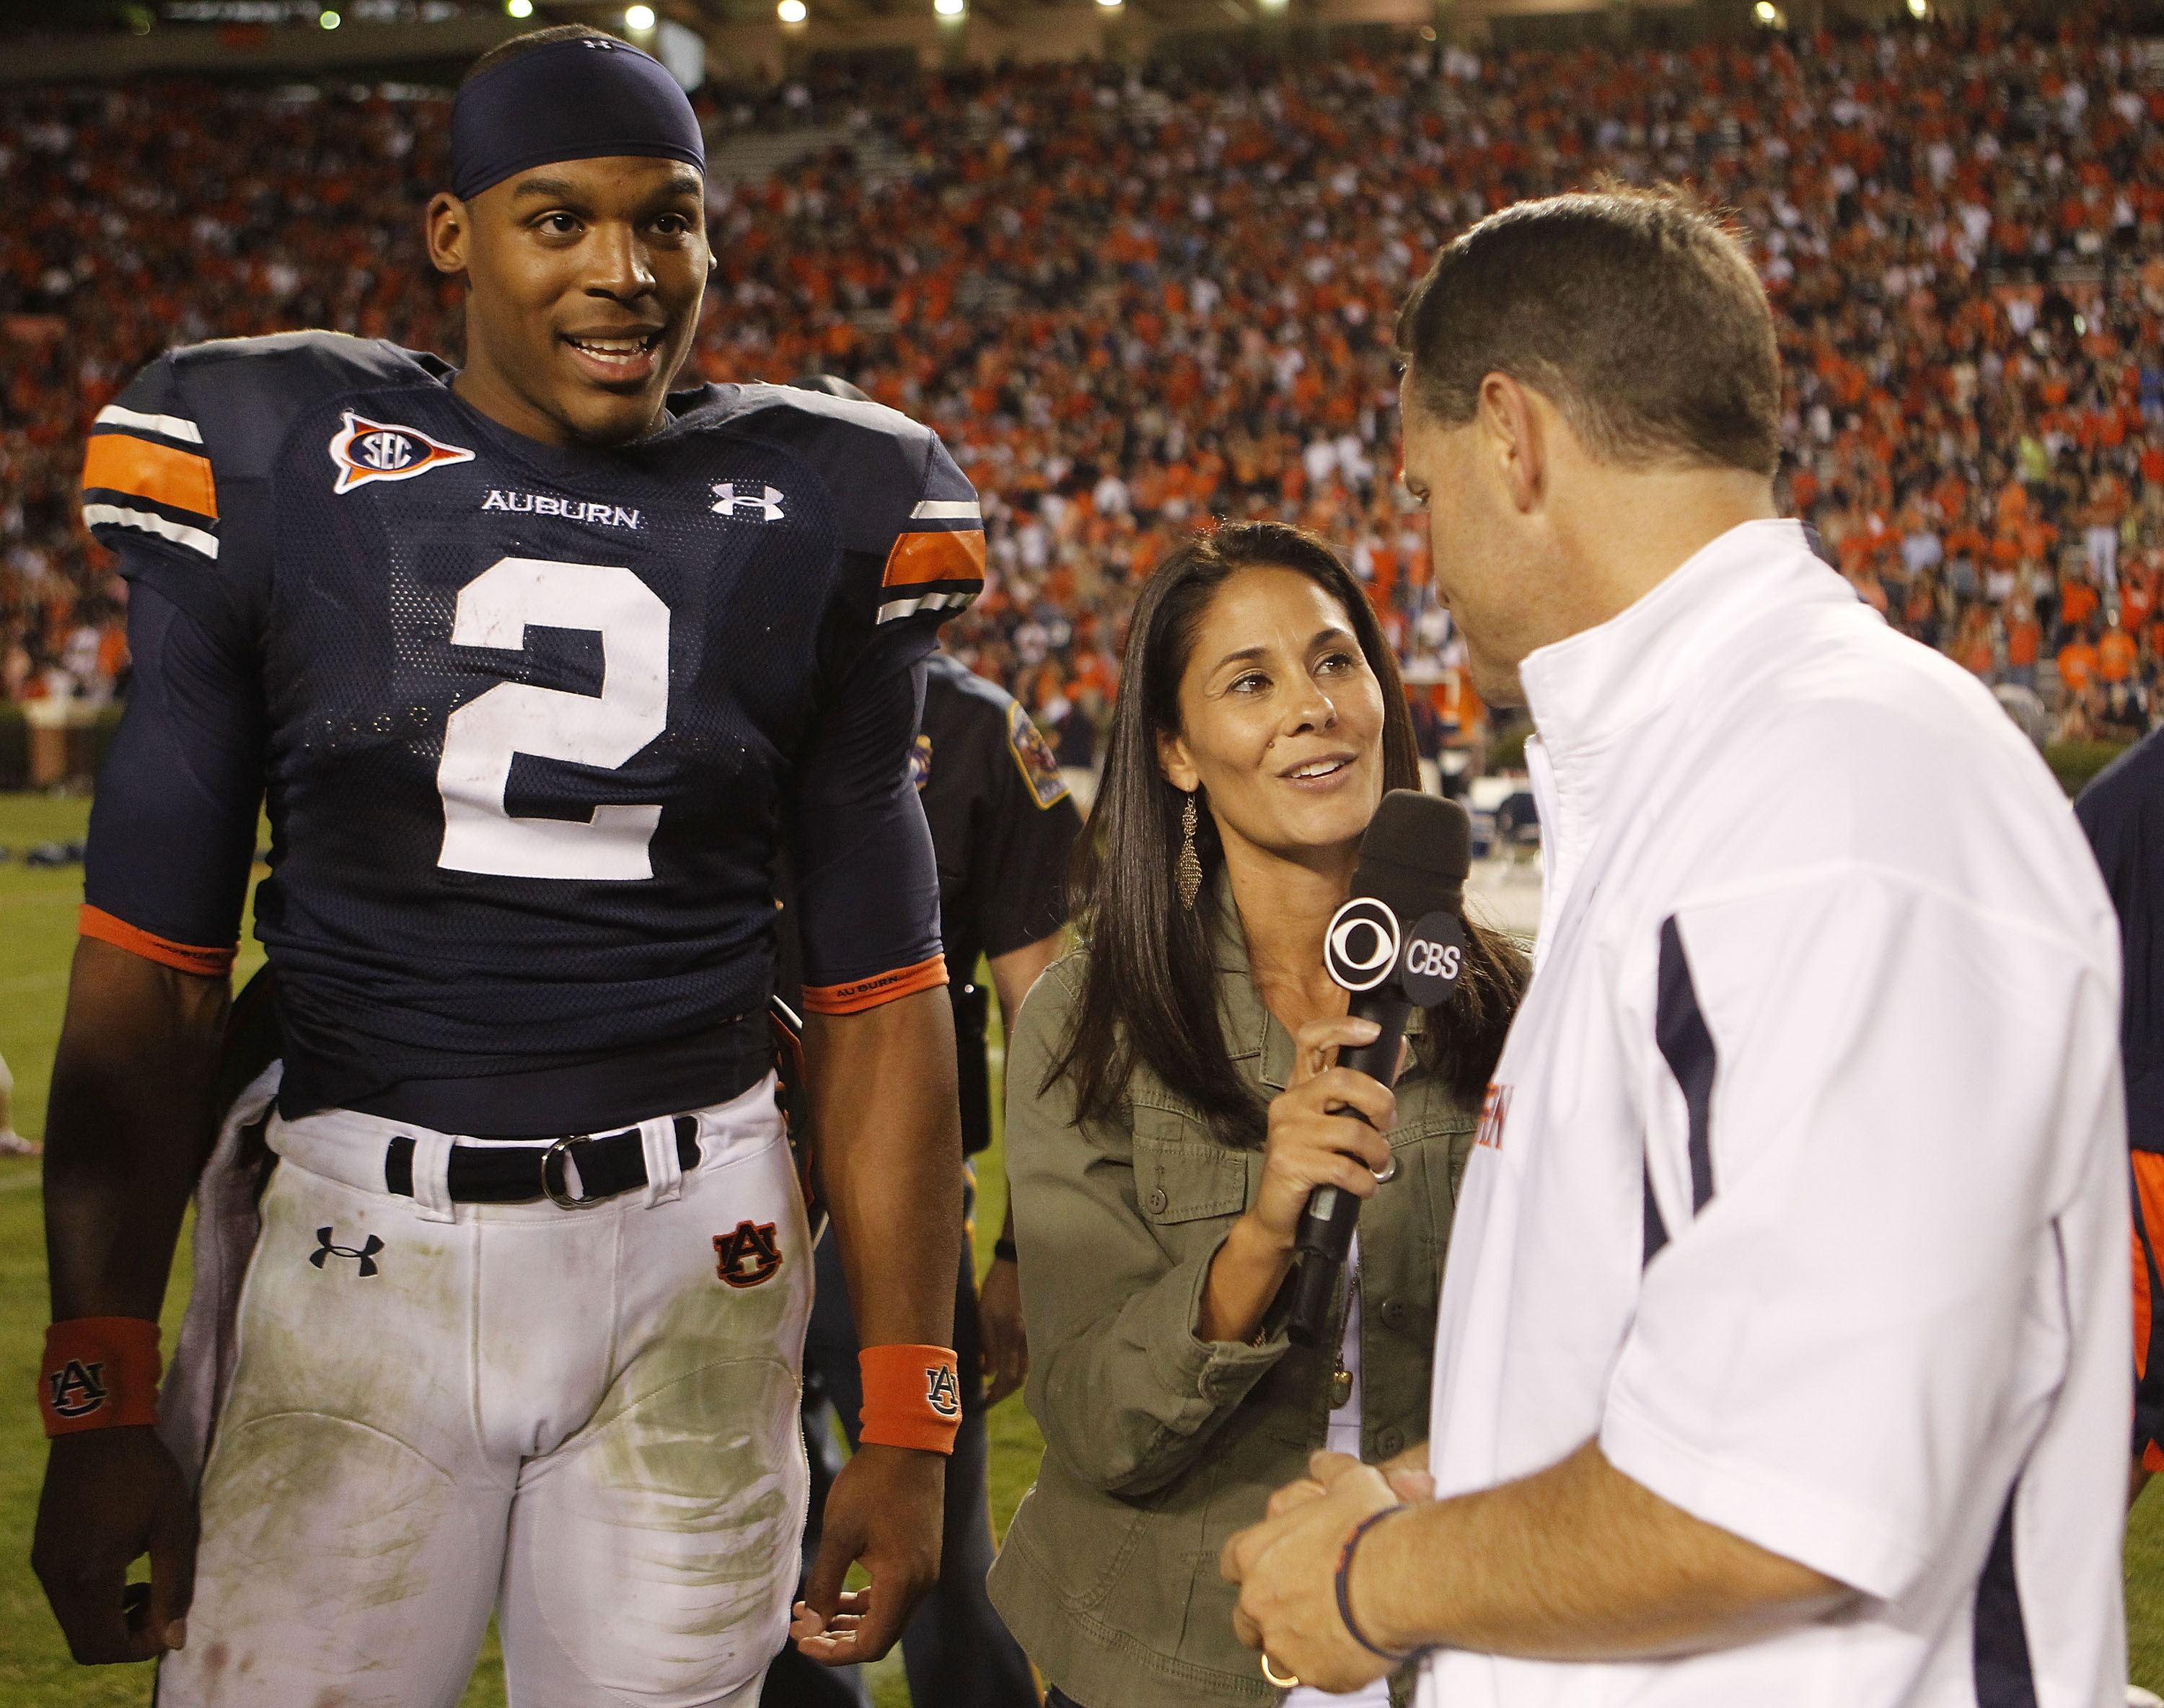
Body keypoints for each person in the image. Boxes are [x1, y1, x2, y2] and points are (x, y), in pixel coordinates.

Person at [35, 26, 981, 1706]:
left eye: (669, 221)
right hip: (355, 1250)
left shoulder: (826, 503)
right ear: (452, 235)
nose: (627, 273)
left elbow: (884, 995)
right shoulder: (280, 460)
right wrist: (101, 1384)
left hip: (699, 1247)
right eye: (560, 221)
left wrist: (907, 1415)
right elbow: (151, 968)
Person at [1222, 188, 2129, 1707]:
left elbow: (1796, 1481)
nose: (1421, 539)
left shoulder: (1834, 789)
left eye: (1424, 481)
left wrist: (1375, 1580)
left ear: (1511, 440)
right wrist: (1427, 1488)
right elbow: (1678, 1327)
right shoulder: (1716, 772)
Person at [988, 522, 1524, 1708]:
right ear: (1178, 752)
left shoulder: (1509, 1004)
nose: (1311, 707)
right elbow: (1089, 1423)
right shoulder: (1090, 1021)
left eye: (1337, 663)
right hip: (1168, 1655)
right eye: (1251, 682)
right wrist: (1263, 1231)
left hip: (1437, 1637)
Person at [778, 646, 1080, 1707]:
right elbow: (1045, 1021)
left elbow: (1046, 1022)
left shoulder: (972, 728)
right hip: (812, 1206)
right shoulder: (968, 722)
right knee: (862, 1551)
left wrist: (1018, 1253)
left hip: (811, 1206)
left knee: (867, 1553)